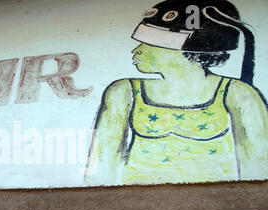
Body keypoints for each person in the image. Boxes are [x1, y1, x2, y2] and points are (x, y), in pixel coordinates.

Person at [85, 0, 268, 185]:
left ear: (185, 51)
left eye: (148, 43)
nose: (137, 50)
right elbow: (101, 166)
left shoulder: (238, 93)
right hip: (137, 201)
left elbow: (257, 166)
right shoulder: (123, 92)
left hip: (216, 202)